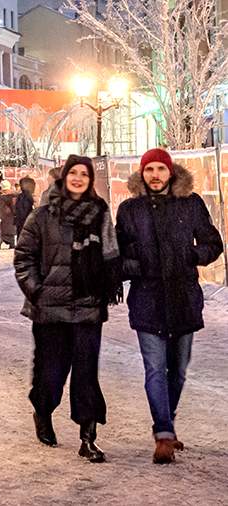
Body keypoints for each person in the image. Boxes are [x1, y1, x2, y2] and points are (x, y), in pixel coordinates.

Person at [115, 148, 222, 464]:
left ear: (170, 172)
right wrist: (139, 265)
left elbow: (212, 244)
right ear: (142, 174)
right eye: (150, 170)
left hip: (184, 299)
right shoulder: (130, 210)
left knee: (178, 370)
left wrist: (192, 256)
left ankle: (167, 422)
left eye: (161, 169)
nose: (156, 175)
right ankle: (163, 434)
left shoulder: (191, 205)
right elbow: (118, 257)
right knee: (154, 369)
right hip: (147, 299)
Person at [14, 155, 122, 464]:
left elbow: (110, 257)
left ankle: (88, 437)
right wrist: (38, 289)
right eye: (72, 173)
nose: (78, 178)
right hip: (51, 309)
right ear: (63, 177)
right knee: (52, 373)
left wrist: (105, 288)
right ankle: (43, 410)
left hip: (88, 307)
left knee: (86, 375)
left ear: (90, 180)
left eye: (83, 174)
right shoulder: (42, 215)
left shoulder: (100, 213)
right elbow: (23, 258)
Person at [0, 180, 17, 248]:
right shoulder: (13, 196)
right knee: (10, 229)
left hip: (3, 215)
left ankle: (2, 241)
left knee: (4, 228)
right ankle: (11, 243)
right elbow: (14, 206)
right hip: (10, 216)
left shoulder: (0, 197)